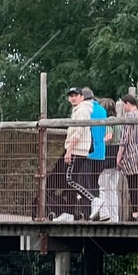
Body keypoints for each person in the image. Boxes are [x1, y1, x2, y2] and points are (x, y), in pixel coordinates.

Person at [49, 86, 93, 220]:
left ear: (82, 97)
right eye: (71, 96)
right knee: (70, 181)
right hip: (77, 150)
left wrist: (69, 151)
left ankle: (93, 200)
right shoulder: (78, 110)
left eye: (76, 95)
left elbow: (78, 132)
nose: (73, 98)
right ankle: (69, 213)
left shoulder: (82, 111)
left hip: (76, 151)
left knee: (70, 180)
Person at [114, 93, 138, 219]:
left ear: (127, 104)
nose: (123, 108)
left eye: (123, 105)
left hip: (132, 155)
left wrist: (119, 155)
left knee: (133, 185)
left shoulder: (129, 116)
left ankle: (135, 213)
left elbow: (124, 138)